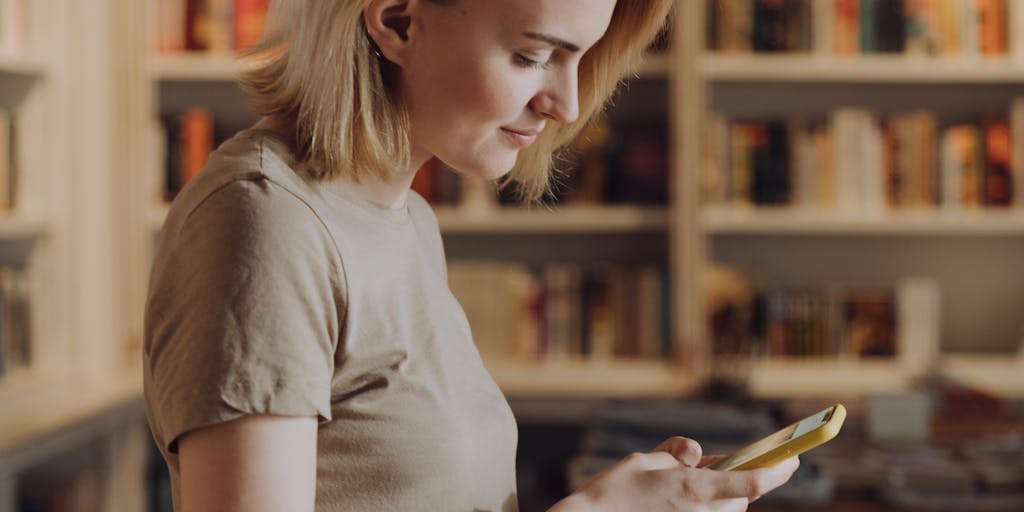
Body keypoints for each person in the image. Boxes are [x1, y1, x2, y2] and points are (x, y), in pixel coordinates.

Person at [142, 0, 800, 510]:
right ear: (398, 21)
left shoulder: (408, 220)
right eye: (532, 55)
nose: (567, 105)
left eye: (583, 57)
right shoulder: (265, 221)